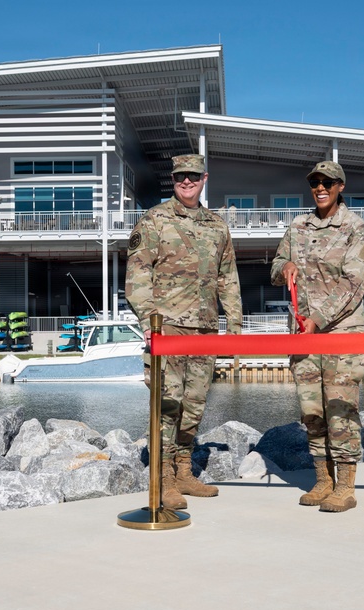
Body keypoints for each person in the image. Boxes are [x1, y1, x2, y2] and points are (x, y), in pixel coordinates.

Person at [125, 153, 243, 511]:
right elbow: (138, 275)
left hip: (204, 330)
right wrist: (149, 321)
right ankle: (162, 480)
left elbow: (228, 278)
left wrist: (235, 326)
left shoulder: (217, 225)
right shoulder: (155, 220)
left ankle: (184, 471)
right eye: (180, 177)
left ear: (204, 178)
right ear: (173, 180)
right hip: (169, 330)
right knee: (168, 405)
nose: (186, 182)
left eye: (193, 175)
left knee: (193, 406)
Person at [270, 161, 364, 512]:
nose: (320, 187)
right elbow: (276, 265)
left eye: (327, 182)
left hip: (341, 332)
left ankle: (345, 486)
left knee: (340, 409)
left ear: (341, 186)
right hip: (304, 334)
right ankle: (322, 479)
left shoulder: (356, 228)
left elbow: (354, 283)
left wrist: (317, 317)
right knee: (311, 409)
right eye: (315, 182)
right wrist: (283, 266)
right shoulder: (298, 226)